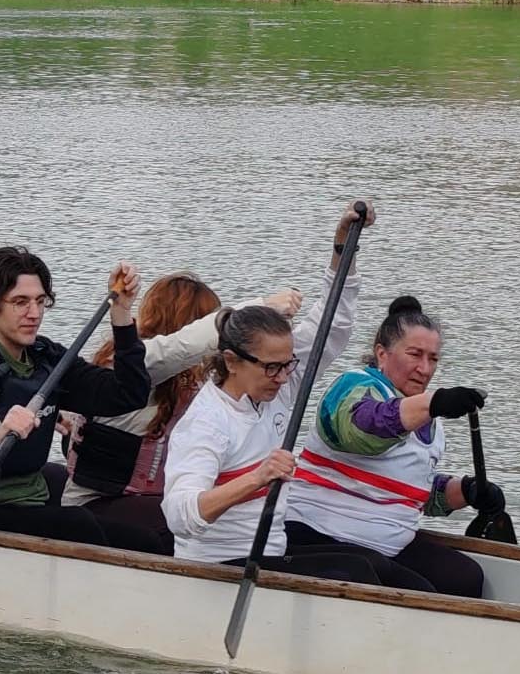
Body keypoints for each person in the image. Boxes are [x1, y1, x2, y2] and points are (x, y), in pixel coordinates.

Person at [161, 203, 383, 584]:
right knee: (358, 572)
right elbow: (180, 516)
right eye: (272, 368)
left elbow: (334, 325)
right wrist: (257, 477)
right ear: (231, 361)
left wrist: (343, 248)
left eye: (287, 365)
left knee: (371, 565)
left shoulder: (277, 382)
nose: (283, 378)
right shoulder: (207, 421)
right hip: (216, 568)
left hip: (270, 554)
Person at [0, 247, 150, 545]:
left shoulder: (45, 357)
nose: (35, 314)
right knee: (80, 525)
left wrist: (121, 315)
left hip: (27, 495)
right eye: (20, 302)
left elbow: (128, 394)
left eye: (40, 301)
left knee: (145, 542)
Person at [64, 276, 304, 554]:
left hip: (150, 497)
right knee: (176, 529)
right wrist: (254, 308)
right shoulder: (130, 366)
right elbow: (179, 348)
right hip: (97, 501)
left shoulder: (200, 384)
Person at [281, 296, 497, 597]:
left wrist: (469, 490)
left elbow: (411, 491)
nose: (425, 368)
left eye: (432, 358)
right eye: (415, 354)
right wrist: (433, 402)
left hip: (387, 545)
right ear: (382, 354)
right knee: (413, 590)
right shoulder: (353, 387)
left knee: (465, 577)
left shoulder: (429, 420)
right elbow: (364, 429)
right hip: (316, 534)